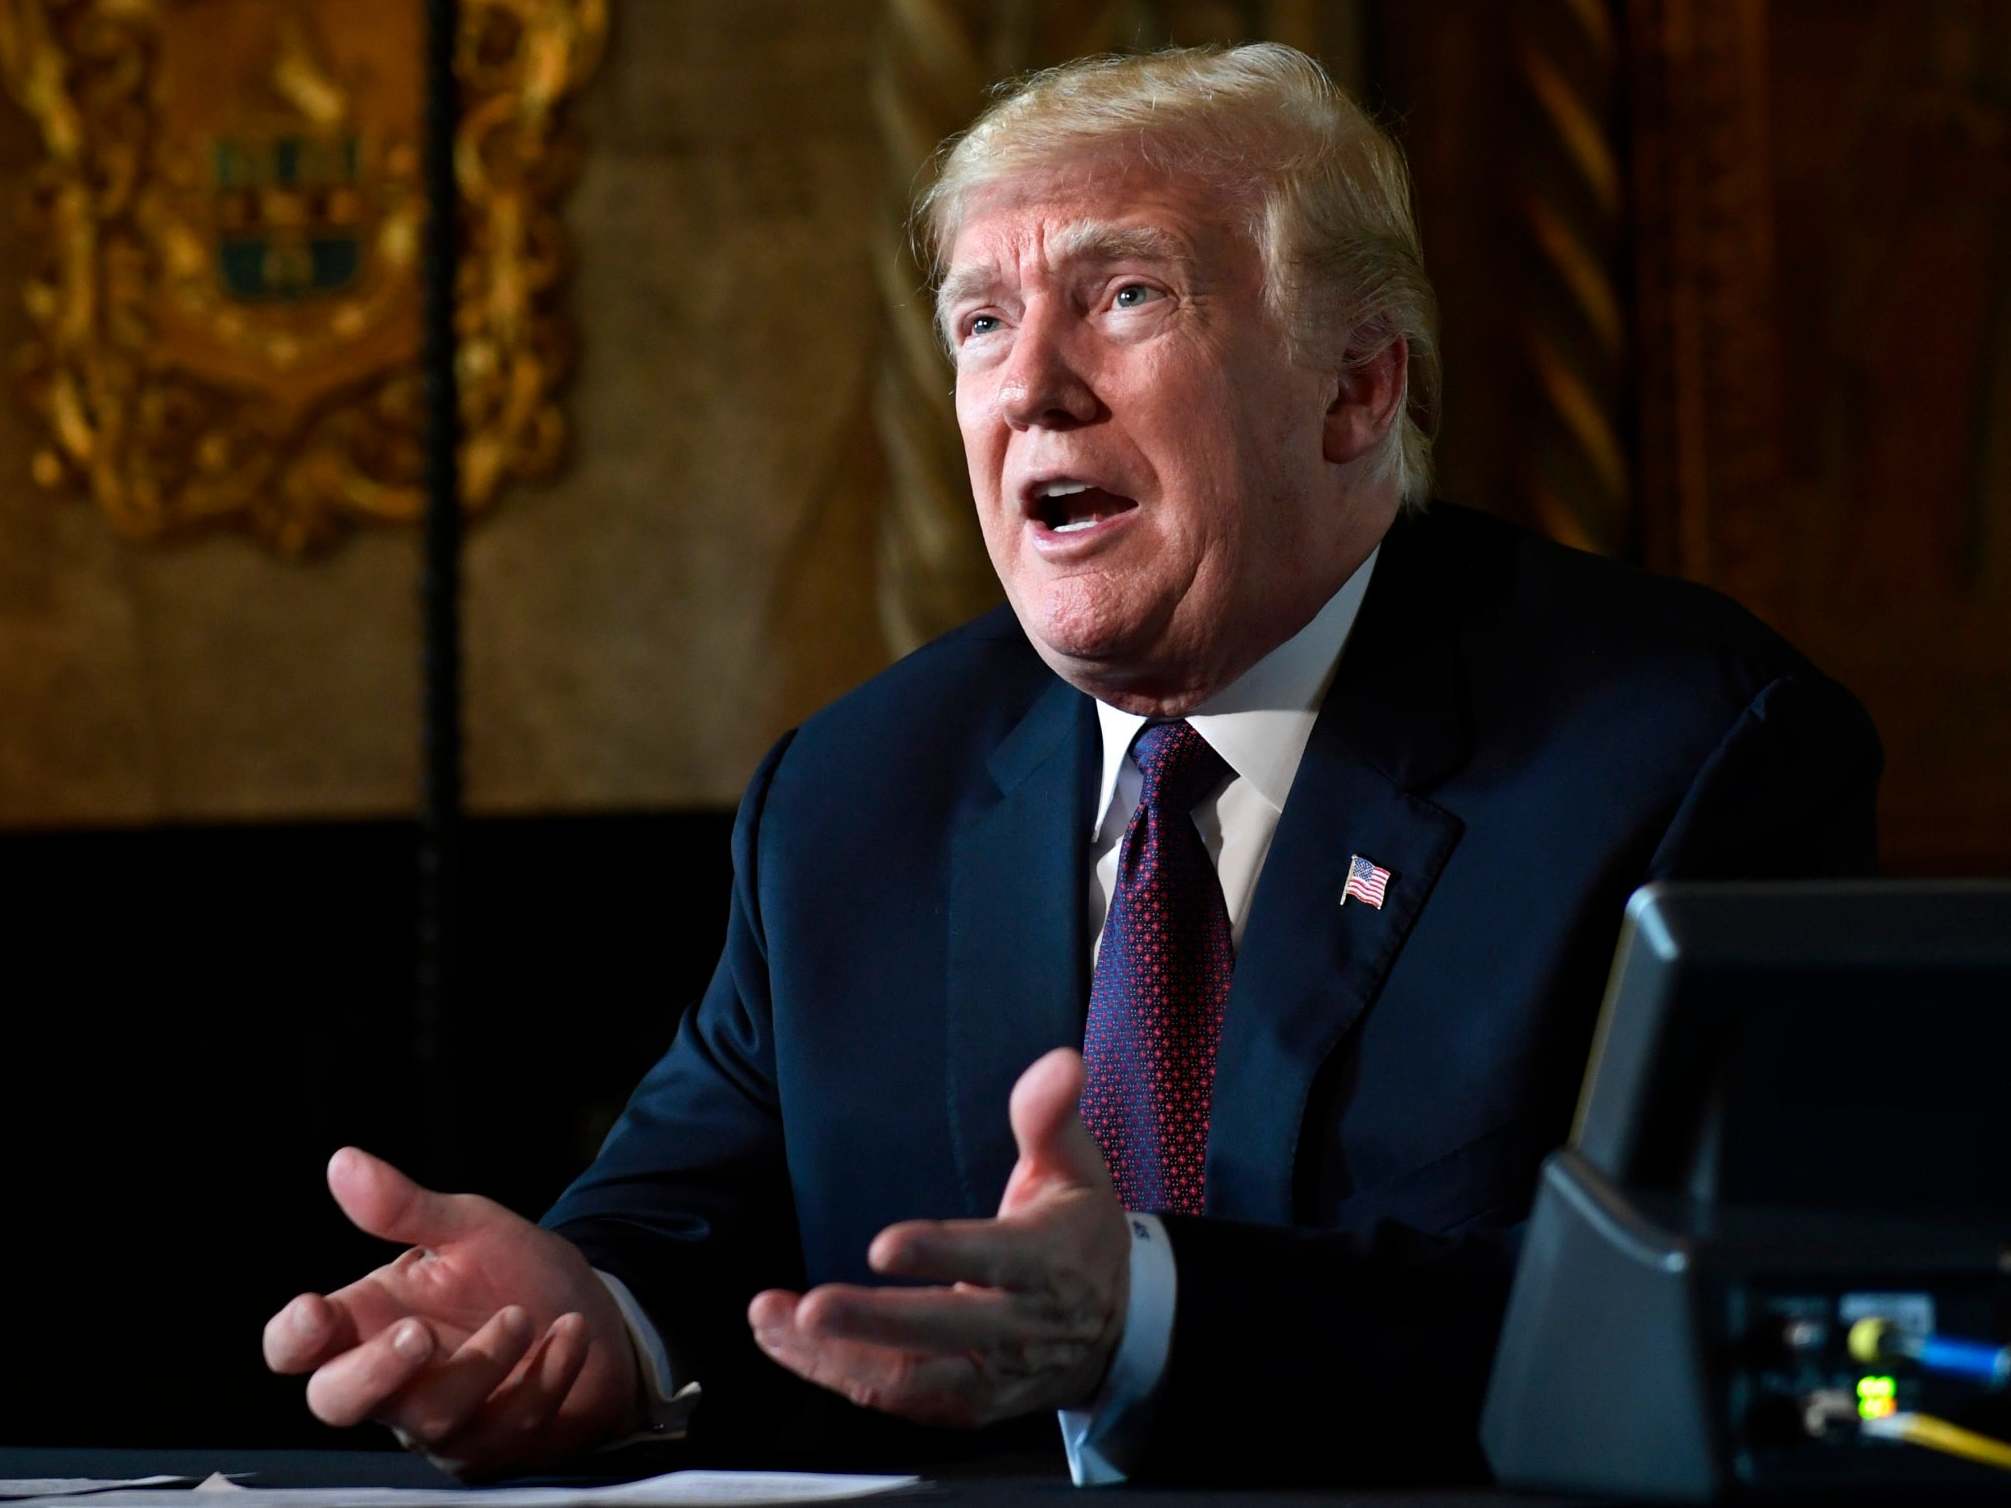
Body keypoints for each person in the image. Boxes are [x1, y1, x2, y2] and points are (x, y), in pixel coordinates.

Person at [263, 43, 1880, 1485]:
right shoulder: (852, 796)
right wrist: (585, 1326)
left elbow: (1711, 1334)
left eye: (1126, 296)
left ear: (1357, 386)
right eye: (982, 319)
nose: (1030, 386)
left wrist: (1152, 1316)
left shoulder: (1685, 756)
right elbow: (681, 1220)